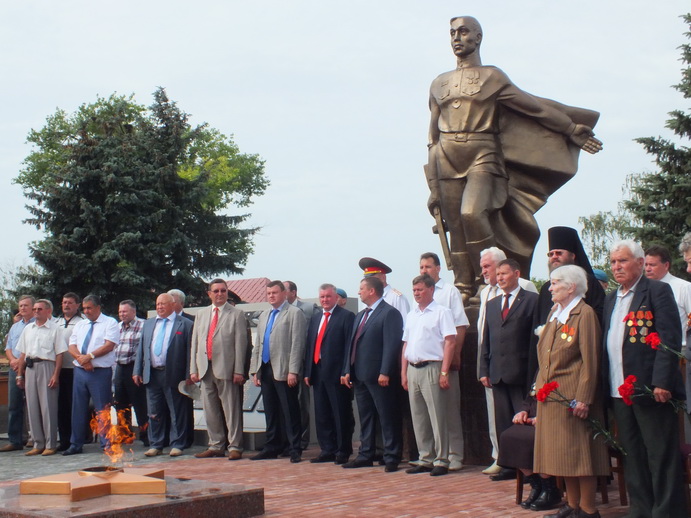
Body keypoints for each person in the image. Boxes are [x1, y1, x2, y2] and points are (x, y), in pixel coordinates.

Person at [425, 16, 602, 300]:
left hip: (483, 152)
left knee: (473, 214)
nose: (457, 38)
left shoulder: (492, 77)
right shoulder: (438, 83)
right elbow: (432, 137)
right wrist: (434, 187)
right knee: (455, 224)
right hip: (445, 157)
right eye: (452, 33)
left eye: (464, 32)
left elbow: (535, 109)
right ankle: (463, 287)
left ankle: (489, 280)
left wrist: (570, 129)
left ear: (478, 38)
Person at [602, 240, 687, 518]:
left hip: (650, 389)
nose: (617, 267)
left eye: (623, 261)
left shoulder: (657, 291)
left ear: (640, 263)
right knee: (632, 454)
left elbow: (668, 338)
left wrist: (662, 381)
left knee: (660, 454)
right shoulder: (611, 298)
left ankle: (667, 512)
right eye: (613, 262)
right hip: (619, 389)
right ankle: (641, 509)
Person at [533, 265, 609, 518]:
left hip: (573, 396)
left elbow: (590, 360)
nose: (550, 288)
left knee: (579, 455)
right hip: (552, 396)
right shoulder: (556, 312)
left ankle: (588, 509)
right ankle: (572, 505)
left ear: (571, 287)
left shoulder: (584, 314)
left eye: (555, 283)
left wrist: (584, 399)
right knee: (563, 455)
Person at [477, 247, 537, 475]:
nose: (500, 278)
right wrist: (484, 369)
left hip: (521, 372)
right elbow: (486, 339)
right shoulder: (492, 303)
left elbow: (534, 339)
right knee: (502, 422)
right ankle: (508, 465)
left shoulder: (531, 299)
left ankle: (529, 469)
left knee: (522, 423)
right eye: (498, 274)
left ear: (516, 274)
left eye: (504, 274)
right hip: (498, 372)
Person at [341, 276, 403, 473]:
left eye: (361, 289)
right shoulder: (360, 315)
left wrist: (385, 371)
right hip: (360, 375)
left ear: (372, 291)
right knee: (366, 417)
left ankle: (392, 455)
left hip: (379, 376)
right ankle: (365, 454)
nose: (358, 292)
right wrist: (347, 369)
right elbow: (352, 344)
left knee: (387, 416)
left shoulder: (389, 313)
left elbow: (392, 345)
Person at [418, 252, 469, 471]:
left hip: (444, 361)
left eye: (428, 267)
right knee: (429, 414)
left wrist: (456, 355)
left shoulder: (449, 291)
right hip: (425, 363)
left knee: (449, 411)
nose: (424, 271)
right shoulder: (419, 294)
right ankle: (432, 455)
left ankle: (455, 454)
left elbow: (460, 325)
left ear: (438, 268)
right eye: (421, 267)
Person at [401, 274, 456, 476]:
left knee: (437, 416)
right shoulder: (412, 315)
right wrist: (403, 372)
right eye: (414, 290)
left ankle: (442, 460)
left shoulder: (442, 312)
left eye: (420, 289)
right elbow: (406, 344)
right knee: (419, 417)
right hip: (413, 368)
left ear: (431, 289)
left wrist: (444, 371)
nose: (416, 293)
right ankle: (425, 458)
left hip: (432, 366)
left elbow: (450, 342)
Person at [191, 278, 249, 460]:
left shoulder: (236, 314)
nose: (220, 294)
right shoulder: (201, 314)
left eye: (223, 290)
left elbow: (241, 345)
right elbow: (195, 343)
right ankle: (216, 445)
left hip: (227, 369)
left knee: (232, 410)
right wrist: (193, 369)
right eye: (216, 291)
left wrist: (239, 370)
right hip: (205, 368)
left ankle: (235, 446)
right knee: (210, 410)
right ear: (209, 294)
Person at [250, 280, 306, 463]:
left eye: (274, 292)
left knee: (290, 410)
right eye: (269, 293)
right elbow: (258, 344)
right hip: (266, 368)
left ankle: (294, 448)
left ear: (283, 293)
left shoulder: (294, 313)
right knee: (271, 410)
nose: (271, 296)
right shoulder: (265, 315)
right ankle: (272, 446)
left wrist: (293, 370)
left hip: (284, 369)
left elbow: (298, 344)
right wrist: (255, 370)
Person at [133, 293, 194, 457]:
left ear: (173, 305)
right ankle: (156, 444)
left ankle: (178, 444)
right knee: (154, 412)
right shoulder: (149, 324)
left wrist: (189, 374)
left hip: (174, 374)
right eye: (158, 304)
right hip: (152, 374)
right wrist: (137, 370)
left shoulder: (185, 324)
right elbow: (141, 349)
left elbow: (190, 351)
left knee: (177, 411)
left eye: (163, 304)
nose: (159, 307)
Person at [303, 283, 355, 464]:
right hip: (318, 372)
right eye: (322, 297)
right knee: (322, 413)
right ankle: (327, 449)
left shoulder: (346, 316)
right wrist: (308, 371)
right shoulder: (316, 318)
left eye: (328, 296)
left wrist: (346, 370)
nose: (325, 300)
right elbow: (311, 345)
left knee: (340, 413)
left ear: (336, 298)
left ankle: (343, 450)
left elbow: (349, 346)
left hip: (337, 374)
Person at [63, 295, 120, 456]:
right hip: (80, 371)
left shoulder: (110, 322)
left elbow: (109, 345)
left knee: (102, 408)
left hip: (99, 372)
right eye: (84, 308)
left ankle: (106, 443)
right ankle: (76, 444)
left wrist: (90, 357)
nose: (86, 311)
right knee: (78, 408)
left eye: (89, 308)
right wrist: (82, 360)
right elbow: (72, 346)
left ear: (98, 307)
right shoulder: (81, 324)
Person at [15, 299, 67, 456]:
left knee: (47, 407)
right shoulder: (28, 329)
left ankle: (51, 444)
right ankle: (38, 443)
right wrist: (19, 374)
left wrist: (55, 375)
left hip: (47, 366)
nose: (36, 311)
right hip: (31, 367)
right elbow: (23, 353)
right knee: (32, 406)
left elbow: (59, 354)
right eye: (35, 309)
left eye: (39, 309)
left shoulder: (55, 329)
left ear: (48, 311)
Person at [536, 227, 606, 326]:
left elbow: (599, 317)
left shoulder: (588, 282)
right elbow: (538, 321)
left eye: (559, 253)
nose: (554, 257)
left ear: (572, 256)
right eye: (551, 254)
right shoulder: (546, 288)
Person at [0, 295, 35, 452]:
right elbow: (8, 347)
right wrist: (13, 361)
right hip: (14, 368)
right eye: (20, 306)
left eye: (26, 305)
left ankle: (35, 438)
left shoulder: (37, 324)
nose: (22, 308)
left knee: (33, 405)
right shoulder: (15, 327)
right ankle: (15, 440)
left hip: (30, 366)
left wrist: (20, 362)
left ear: (33, 307)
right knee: (14, 404)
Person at [283, 280, 314, 450]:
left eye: (284, 290)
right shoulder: (278, 311)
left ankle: (302, 440)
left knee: (302, 403)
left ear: (293, 292)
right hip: (283, 364)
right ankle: (288, 440)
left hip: (302, 363)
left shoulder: (308, 309)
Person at [113, 300, 148, 446]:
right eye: (120, 312)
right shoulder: (117, 327)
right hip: (120, 368)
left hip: (135, 368)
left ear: (133, 312)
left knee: (140, 404)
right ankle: (124, 434)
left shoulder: (143, 325)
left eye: (125, 311)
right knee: (120, 404)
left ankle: (146, 436)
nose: (122, 314)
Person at [645, 244, 691, 351]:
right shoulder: (642, 290)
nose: (647, 269)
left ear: (666, 265)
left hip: (680, 351)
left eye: (652, 265)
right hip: (649, 351)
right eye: (646, 265)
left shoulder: (684, 288)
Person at [54, 293, 83, 451]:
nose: (66, 305)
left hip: (74, 369)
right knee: (61, 406)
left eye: (70, 303)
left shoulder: (81, 322)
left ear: (77, 305)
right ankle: (64, 440)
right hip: (59, 369)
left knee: (74, 405)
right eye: (64, 302)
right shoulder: (56, 322)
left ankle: (76, 439)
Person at [358, 257, 410, 323]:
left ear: (383, 277)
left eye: (372, 278)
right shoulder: (367, 299)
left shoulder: (396, 298)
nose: (369, 282)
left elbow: (404, 323)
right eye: (367, 279)